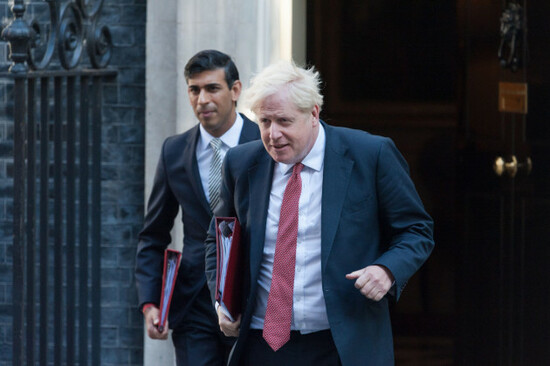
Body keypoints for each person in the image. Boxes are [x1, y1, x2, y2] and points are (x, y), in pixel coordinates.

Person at [204, 60, 434, 366]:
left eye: (284, 121)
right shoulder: (241, 163)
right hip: (261, 344)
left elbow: (416, 229)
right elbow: (218, 239)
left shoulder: (370, 155)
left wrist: (387, 270)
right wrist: (223, 301)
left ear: (313, 113)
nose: (273, 134)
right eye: (264, 121)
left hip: (341, 343)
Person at [135, 49, 260, 366]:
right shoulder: (174, 151)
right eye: (194, 89)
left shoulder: (264, 143)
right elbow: (153, 234)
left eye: (212, 88)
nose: (202, 99)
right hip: (193, 304)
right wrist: (150, 302)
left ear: (235, 91)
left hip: (252, 299)